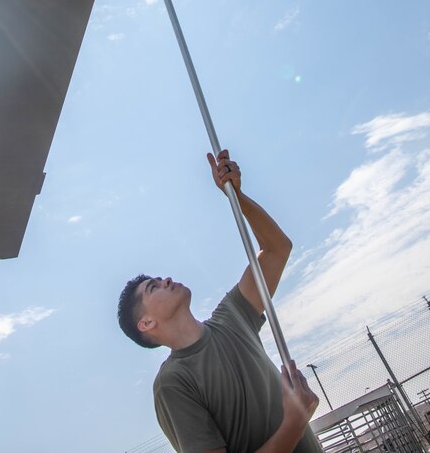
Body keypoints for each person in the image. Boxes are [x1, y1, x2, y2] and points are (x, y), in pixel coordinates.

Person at [117, 150, 321, 453]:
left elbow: (277, 248)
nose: (167, 280)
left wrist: (236, 196)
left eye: (161, 278)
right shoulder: (173, 384)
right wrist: (294, 422)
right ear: (146, 323)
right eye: (154, 287)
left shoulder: (233, 316)